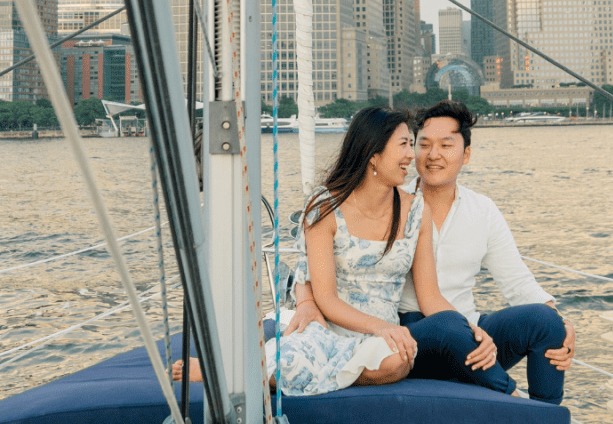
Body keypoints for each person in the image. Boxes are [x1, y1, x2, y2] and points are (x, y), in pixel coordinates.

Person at [289, 100, 585, 424]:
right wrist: (305, 300)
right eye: (421, 143)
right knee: (446, 326)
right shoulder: (381, 200)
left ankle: (550, 423)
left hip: (458, 324)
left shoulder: (476, 211)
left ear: (466, 153)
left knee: (545, 323)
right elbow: (315, 266)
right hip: (415, 330)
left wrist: (558, 322)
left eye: (446, 145)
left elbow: (517, 282)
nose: (430, 155)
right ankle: (519, 408)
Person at [177, 106, 522, 398]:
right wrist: (378, 328)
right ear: (374, 153)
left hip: (383, 334)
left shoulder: (417, 211)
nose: (410, 156)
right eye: (404, 145)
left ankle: (315, 374)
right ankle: (230, 372)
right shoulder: (325, 208)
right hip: (332, 327)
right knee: (295, 360)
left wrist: (474, 330)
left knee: (397, 362)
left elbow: (430, 297)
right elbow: (325, 299)